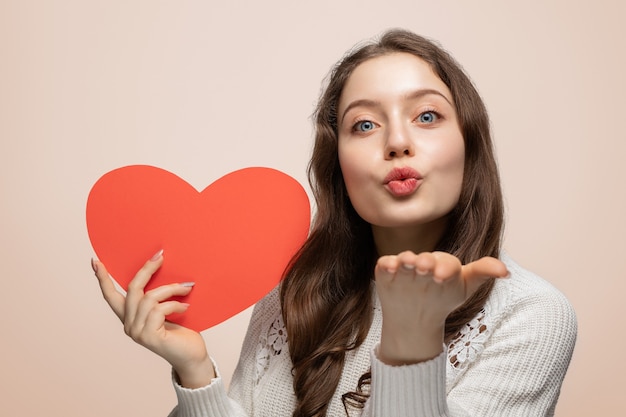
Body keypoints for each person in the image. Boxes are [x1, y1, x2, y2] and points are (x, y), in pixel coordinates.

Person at [91, 29, 577, 416]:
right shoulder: (293, 289)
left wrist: (412, 343)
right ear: (338, 166)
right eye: (365, 124)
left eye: (427, 115)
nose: (397, 142)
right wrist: (195, 371)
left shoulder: (532, 316)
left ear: (470, 143)